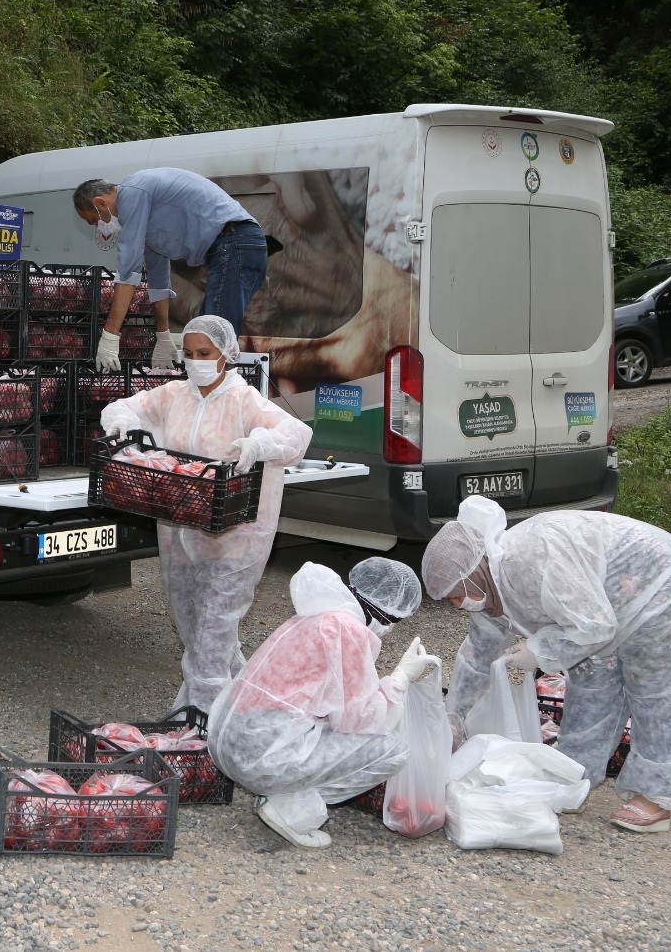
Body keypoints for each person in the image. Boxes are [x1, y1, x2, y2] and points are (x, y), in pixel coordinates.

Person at [421, 495, 671, 834]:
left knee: (657, 690)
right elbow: (477, 659)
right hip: (601, 606)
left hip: (660, 586)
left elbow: (594, 626)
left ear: (474, 569)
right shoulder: (486, 592)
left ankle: (655, 794)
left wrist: (537, 650)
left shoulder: (532, 558)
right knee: (590, 689)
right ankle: (577, 777)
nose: (458, 605)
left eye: (457, 594)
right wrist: (454, 719)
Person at [100, 314, 312, 713]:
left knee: (213, 631)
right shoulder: (174, 395)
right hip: (179, 530)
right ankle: (249, 708)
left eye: (205, 353)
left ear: (225, 354)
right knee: (196, 628)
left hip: (235, 535)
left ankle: (202, 726)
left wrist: (258, 445)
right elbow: (123, 407)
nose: (195, 361)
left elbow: (297, 436)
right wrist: (123, 421)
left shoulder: (243, 399)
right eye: (189, 353)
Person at [207, 559, 435, 848]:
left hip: (228, 740)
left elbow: (335, 699)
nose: (389, 629)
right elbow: (362, 719)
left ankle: (282, 791)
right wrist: (399, 680)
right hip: (261, 758)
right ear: (383, 610)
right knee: (393, 749)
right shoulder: (346, 630)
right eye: (392, 621)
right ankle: (291, 809)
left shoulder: (318, 615)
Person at [73, 170, 268, 371]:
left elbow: (127, 270)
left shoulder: (133, 191)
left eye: (94, 221)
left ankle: (221, 397)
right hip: (237, 247)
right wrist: (163, 335)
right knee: (207, 334)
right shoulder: (146, 219)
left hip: (235, 242)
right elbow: (158, 281)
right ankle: (214, 393)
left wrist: (110, 335)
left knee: (210, 342)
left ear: (100, 203)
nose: (99, 228)